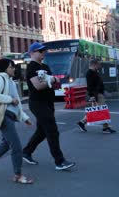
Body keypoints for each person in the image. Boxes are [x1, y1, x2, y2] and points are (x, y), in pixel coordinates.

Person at [22, 42, 75, 170]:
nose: (43, 52)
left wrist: (54, 81)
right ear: (32, 53)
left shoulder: (45, 66)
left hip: (48, 102)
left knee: (42, 131)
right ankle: (59, 161)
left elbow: (55, 83)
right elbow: (38, 86)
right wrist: (51, 80)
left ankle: (26, 152)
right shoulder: (31, 67)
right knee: (52, 130)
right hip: (37, 103)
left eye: (44, 50)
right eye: (40, 51)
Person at [76, 59, 116, 133]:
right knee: (103, 110)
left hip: (97, 93)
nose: (99, 66)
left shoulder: (94, 72)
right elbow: (90, 86)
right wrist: (92, 95)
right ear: (94, 64)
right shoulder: (90, 73)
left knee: (96, 111)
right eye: (98, 64)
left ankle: (82, 122)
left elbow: (98, 83)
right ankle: (105, 128)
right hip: (96, 94)